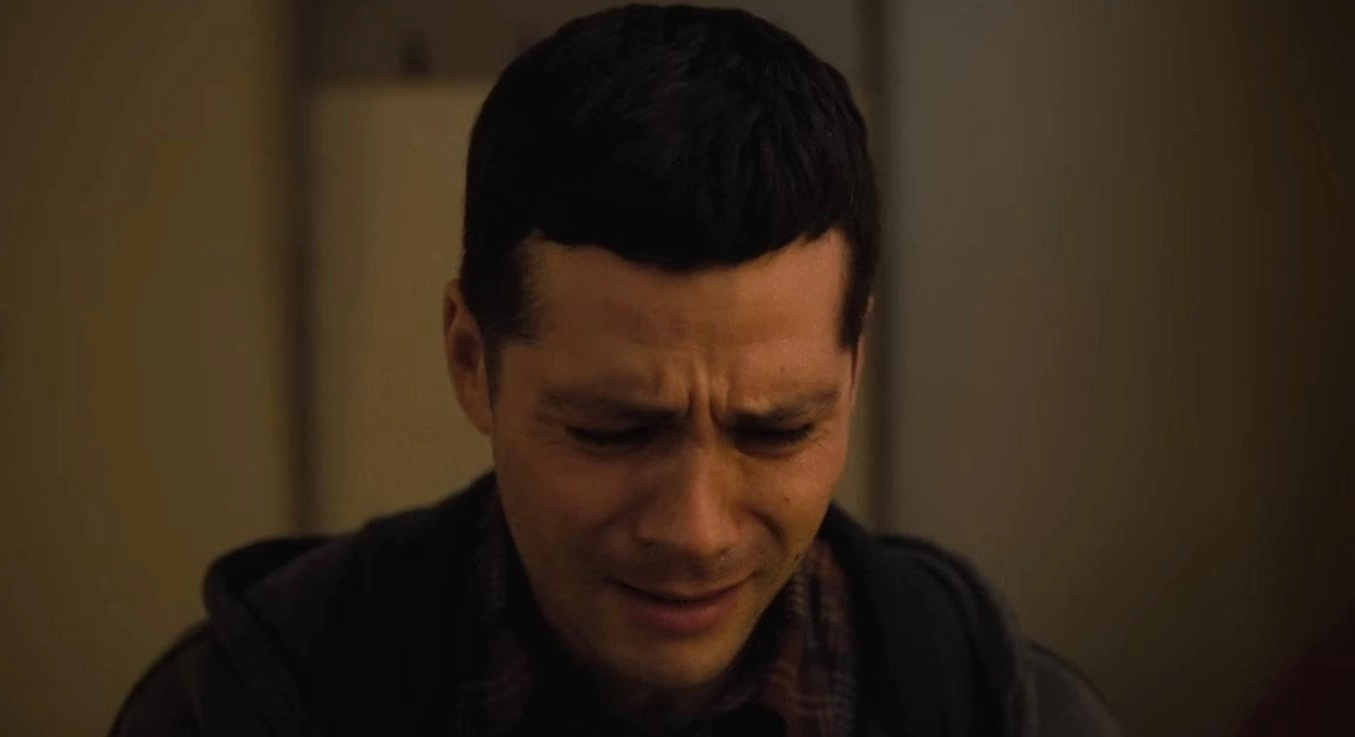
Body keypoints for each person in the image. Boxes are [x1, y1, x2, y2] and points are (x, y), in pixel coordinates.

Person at [110, 5, 1118, 736]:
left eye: (775, 430)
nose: (694, 530)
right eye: (611, 429)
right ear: (470, 359)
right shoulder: (238, 708)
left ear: (852, 366)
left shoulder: (1011, 712)